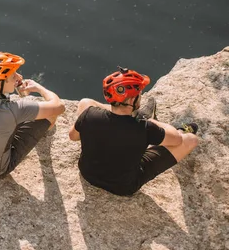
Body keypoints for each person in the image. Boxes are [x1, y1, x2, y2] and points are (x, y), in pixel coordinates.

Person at [68, 67, 199, 196]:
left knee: (86, 102)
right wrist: (149, 121)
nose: (141, 96)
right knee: (191, 140)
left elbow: (73, 137)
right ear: (132, 100)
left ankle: (123, 112)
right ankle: (182, 129)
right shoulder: (145, 128)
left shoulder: (89, 115)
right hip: (123, 187)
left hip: (88, 173)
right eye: (139, 94)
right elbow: (176, 139)